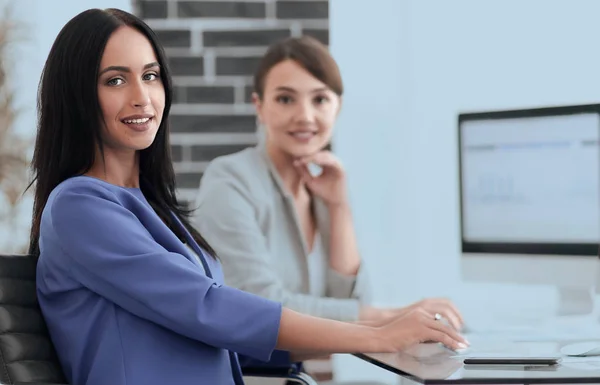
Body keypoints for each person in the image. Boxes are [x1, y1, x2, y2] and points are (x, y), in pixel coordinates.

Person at [30, 8, 468, 385]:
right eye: (115, 80)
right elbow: (208, 307)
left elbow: (213, 325)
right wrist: (377, 334)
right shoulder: (78, 206)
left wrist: (383, 336)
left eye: (150, 76)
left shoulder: (148, 204)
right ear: (77, 95)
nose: (142, 97)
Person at [193, 36, 465, 329]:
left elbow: (352, 301)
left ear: (338, 107)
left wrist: (338, 206)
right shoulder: (229, 179)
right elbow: (259, 305)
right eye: (285, 99)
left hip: (298, 374)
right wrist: (393, 316)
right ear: (259, 106)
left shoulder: (321, 187)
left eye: (320, 99)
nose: (305, 116)